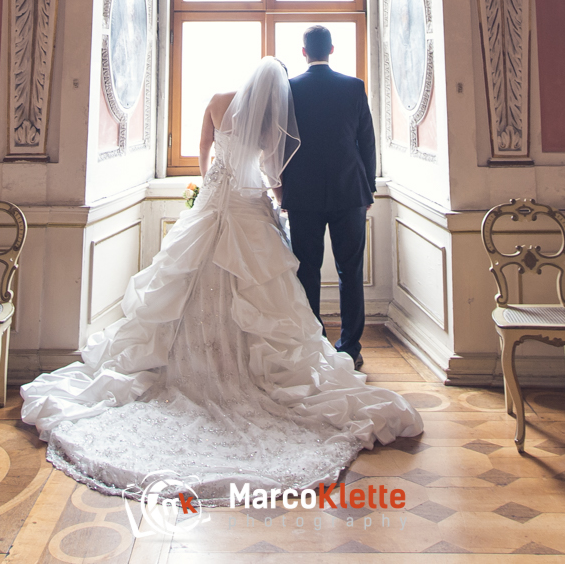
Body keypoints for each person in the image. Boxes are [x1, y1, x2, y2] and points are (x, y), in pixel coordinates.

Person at [22, 58, 421, 506]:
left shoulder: (215, 102)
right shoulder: (271, 115)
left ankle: (187, 364)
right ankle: (250, 370)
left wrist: (210, 184)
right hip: (249, 204)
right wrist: (276, 194)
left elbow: (202, 150)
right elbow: (274, 167)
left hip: (216, 198)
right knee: (263, 286)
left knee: (181, 281)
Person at [281, 25, 378, 368]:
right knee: (349, 270)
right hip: (350, 190)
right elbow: (366, 141)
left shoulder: (290, 89)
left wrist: (283, 188)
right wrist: (369, 188)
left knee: (307, 269)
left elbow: (282, 145)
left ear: (304, 52)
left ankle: (314, 344)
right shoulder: (353, 87)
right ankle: (350, 347)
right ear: (332, 49)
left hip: (303, 193)